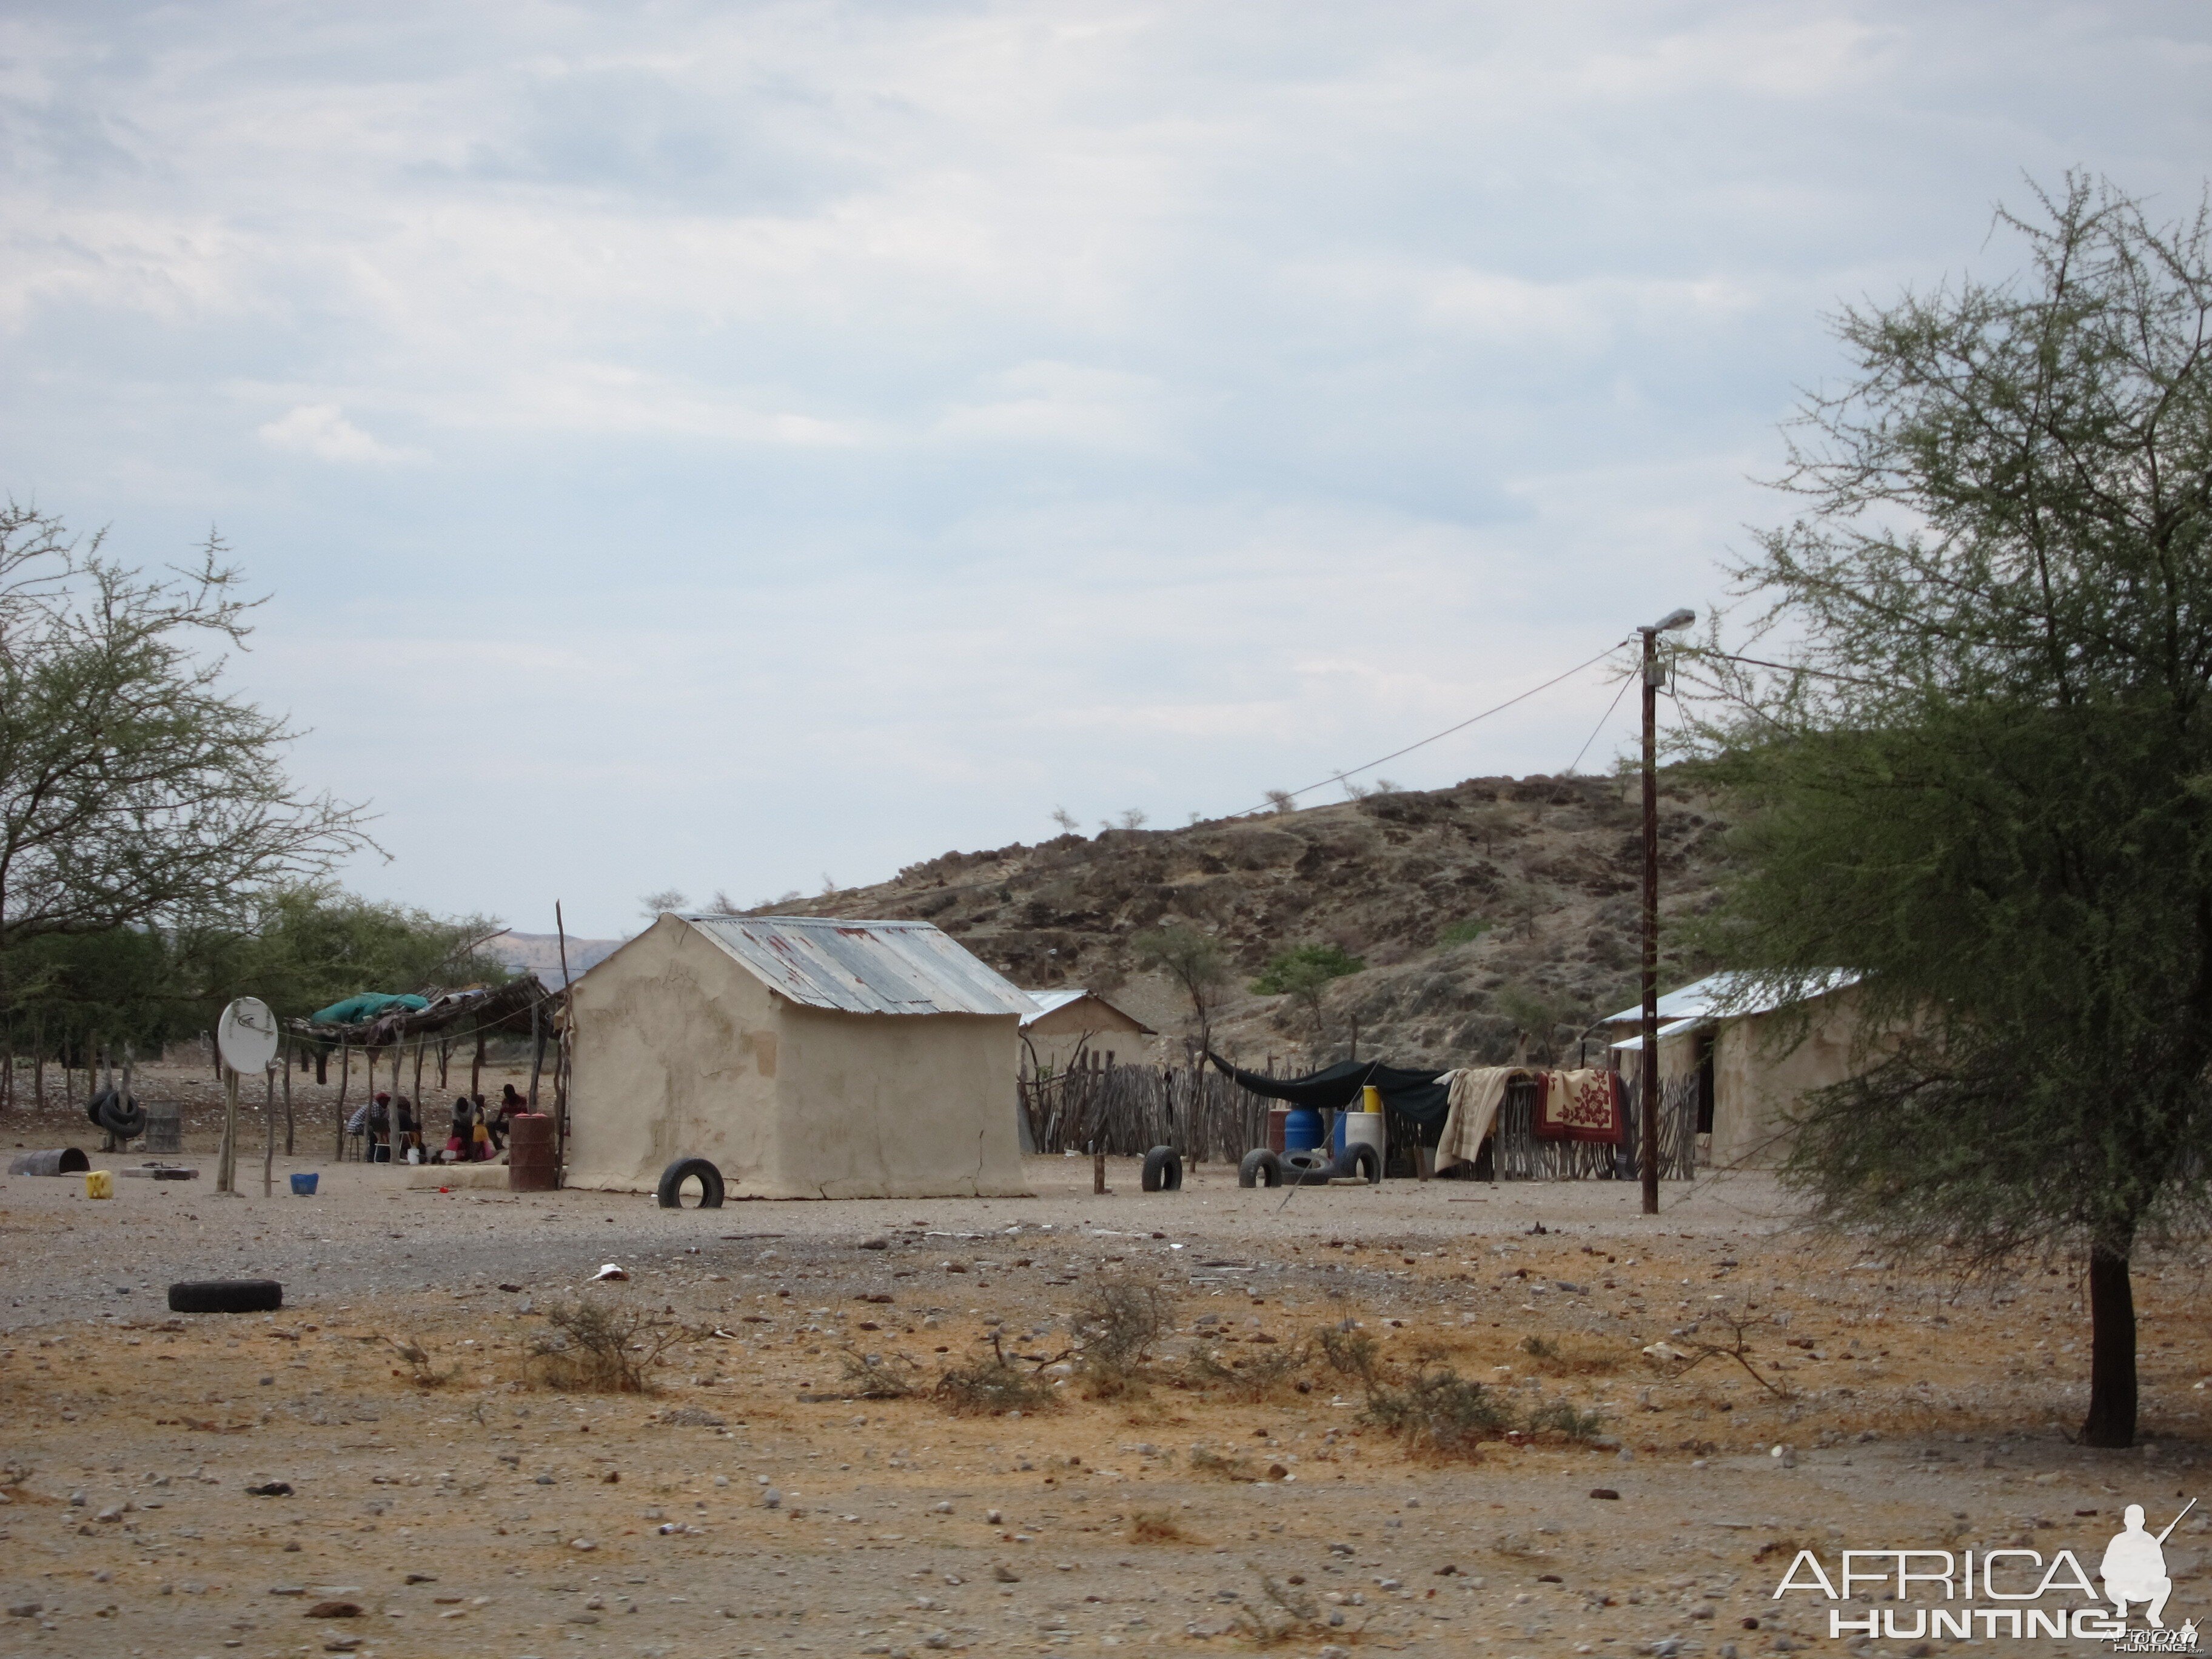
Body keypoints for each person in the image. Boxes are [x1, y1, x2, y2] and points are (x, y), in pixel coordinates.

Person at [2102, 1503, 2174, 1627]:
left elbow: (2162, 1569)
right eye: (2130, 1518)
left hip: (2143, 1587)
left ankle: (2154, 1614)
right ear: (2125, 1521)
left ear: (2143, 1521)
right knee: (2109, 1584)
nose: (2133, 1522)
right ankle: (2122, 1606)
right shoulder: (2118, 1541)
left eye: (2137, 1519)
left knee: (2166, 1583)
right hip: (2121, 1587)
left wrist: (2146, 1570)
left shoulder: (2150, 1541)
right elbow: (2105, 1569)